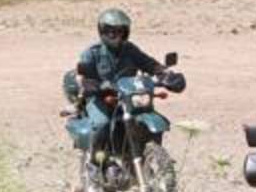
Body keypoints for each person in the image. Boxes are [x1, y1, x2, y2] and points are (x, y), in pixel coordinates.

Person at [72, 8, 182, 151]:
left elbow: (149, 63)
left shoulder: (130, 49)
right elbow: (83, 76)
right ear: (102, 31)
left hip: (129, 97)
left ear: (126, 32)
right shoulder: (93, 52)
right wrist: (91, 84)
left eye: (120, 31)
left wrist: (165, 74)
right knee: (102, 123)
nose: (116, 35)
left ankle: (148, 156)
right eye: (111, 31)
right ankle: (96, 162)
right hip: (102, 98)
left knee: (145, 116)